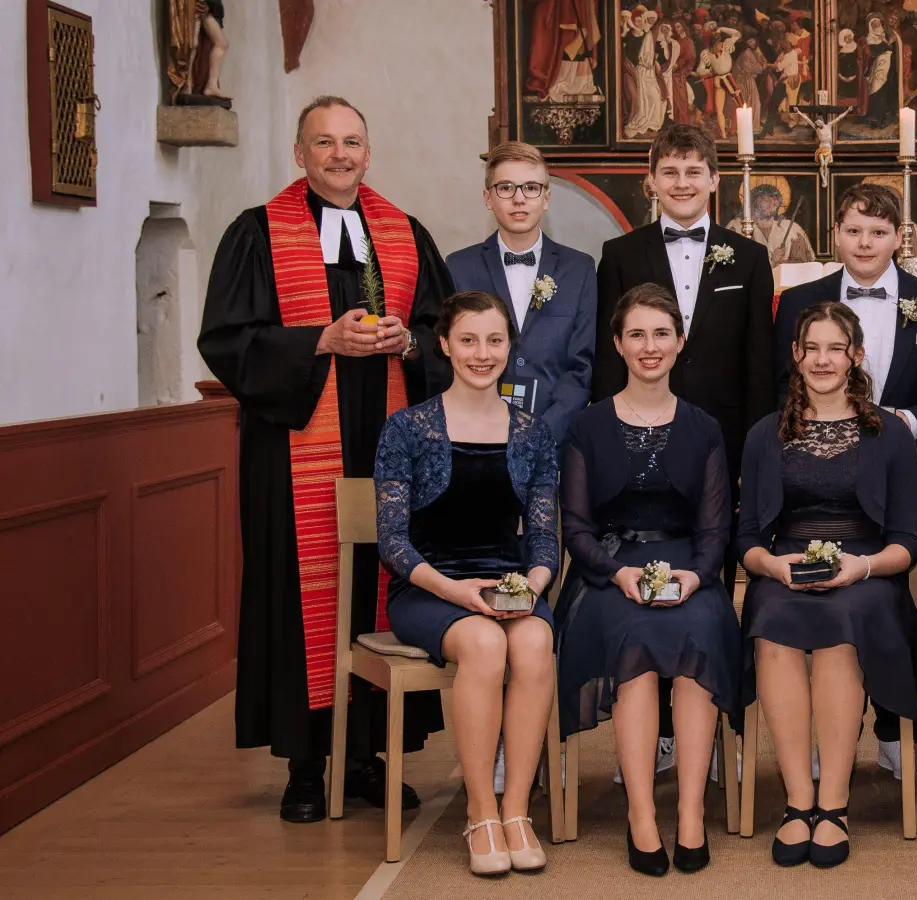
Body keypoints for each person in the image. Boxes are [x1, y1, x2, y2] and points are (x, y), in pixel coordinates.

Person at [197, 95, 453, 823]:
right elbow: (227, 339)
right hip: (294, 452)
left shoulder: (404, 234)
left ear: (368, 154)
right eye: (324, 143)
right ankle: (307, 766)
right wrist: (319, 341)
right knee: (299, 596)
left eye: (352, 142)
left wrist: (408, 342)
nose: (340, 155)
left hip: (390, 443)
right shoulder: (257, 234)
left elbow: (445, 328)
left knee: (384, 583)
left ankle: (369, 756)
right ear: (300, 154)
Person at [774, 182, 917, 779]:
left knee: (900, 598)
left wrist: (909, 424)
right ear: (835, 233)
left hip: (911, 468)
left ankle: (894, 725)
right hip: (813, 476)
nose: (865, 243)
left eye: (879, 232)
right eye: (854, 230)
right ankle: (819, 730)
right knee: (814, 597)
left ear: (899, 237)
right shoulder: (798, 301)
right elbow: (776, 381)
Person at [594, 123, 774, 769]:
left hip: (719, 446)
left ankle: (707, 721)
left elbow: (759, 367)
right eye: (670, 172)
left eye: (694, 172)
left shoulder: (748, 258)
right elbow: (606, 357)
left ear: (715, 179)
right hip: (639, 440)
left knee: (709, 581)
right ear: (652, 180)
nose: (682, 183)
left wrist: (755, 460)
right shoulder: (619, 252)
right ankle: (656, 731)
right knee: (643, 580)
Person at [554, 285, 742, 876]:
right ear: (617, 344)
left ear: (680, 342)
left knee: (700, 637)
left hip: (690, 570)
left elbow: (716, 529)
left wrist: (694, 576)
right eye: (636, 334)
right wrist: (619, 573)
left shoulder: (704, 427)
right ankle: (640, 814)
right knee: (633, 640)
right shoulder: (586, 427)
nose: (649, 346)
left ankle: (689, 812)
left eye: (662, 333)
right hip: (608, 573)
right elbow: (577, 528)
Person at [373, 290, 558, 876]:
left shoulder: (533, 432)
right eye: (469, 340)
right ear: (445, 344)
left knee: (531, 640)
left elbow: (545, 537)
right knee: (483, 642)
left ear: (511, 347)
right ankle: (480, 812)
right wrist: (457, 593)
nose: (483, 353)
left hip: (509, 584)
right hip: (430, 588)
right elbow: (393, 543)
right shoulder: (407, 428)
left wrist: (530, 586)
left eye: (495, 341)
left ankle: (516, 810)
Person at [738, 302, 917, 869]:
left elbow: (908, 543)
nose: (822, 359)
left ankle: (834, 804)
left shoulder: (889, 433)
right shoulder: (765, 433)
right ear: (795, 356)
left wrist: (860, 568)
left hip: (867, 569)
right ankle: (799, 801)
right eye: (810, 348)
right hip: (785, 568)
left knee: (841, 626)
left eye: (834, 348)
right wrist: (770, 567)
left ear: (856, 356)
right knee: (770, 620)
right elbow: (746, 538)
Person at [447, 141, 596, 444]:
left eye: (531, 187)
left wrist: (542, 433)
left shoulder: (579, 269)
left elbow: (581, 367)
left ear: (546, 198)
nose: (519, 199)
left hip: (553, 439)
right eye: (506, 188)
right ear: (487, 197)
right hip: (474, 436)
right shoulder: (458, 267)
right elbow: (448, 358)